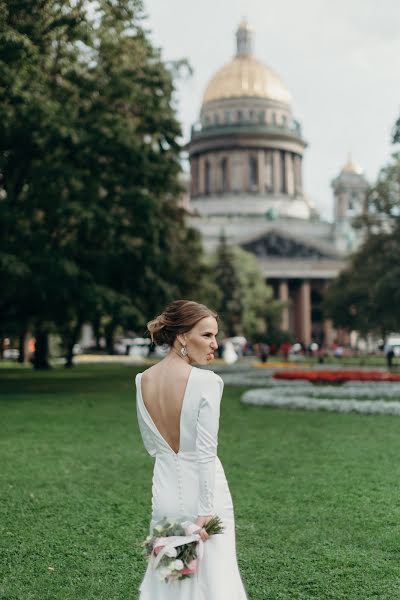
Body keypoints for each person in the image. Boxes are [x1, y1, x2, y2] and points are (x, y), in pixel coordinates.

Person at [135, 300, 248, 599]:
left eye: (215, 336)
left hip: (165, 492)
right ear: (183, 336)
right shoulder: (206, 381)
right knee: (215, 579)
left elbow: (151, 445)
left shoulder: (142, 380)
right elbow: (206, 453)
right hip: (204, 496)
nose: (215, 344)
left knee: (169, 578)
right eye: (207, 335)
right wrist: (206, 511)